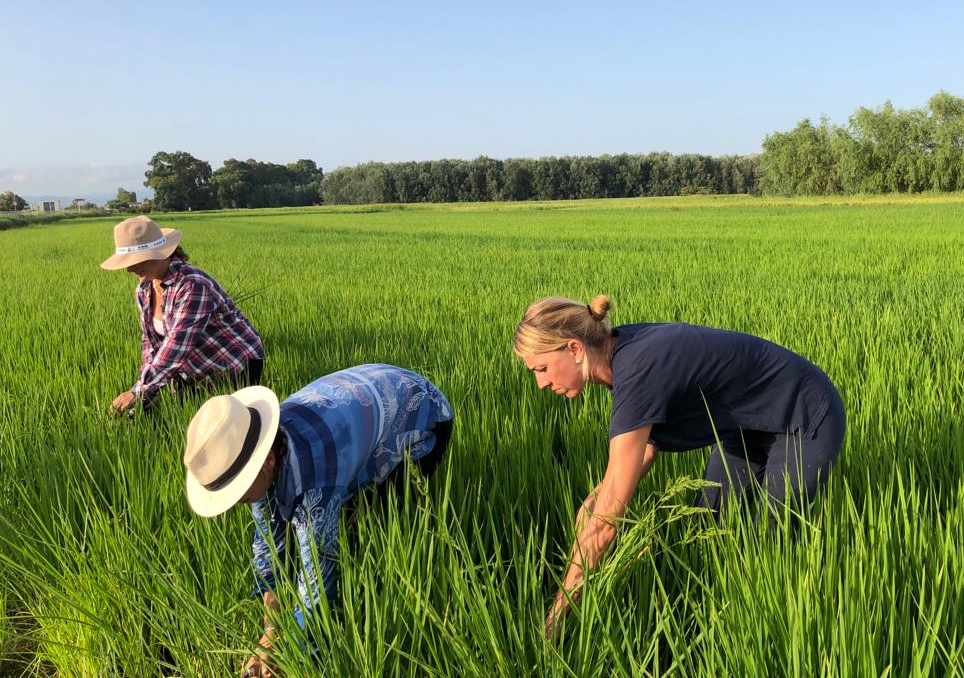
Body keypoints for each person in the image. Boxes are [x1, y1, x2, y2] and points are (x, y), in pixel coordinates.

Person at [514, 295, 845, 639]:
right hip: (746, 426)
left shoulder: (638, 369)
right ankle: (709, 625)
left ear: (574, 349)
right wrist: (593, 504)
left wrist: (555, 620)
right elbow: (641, 455)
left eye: (541, 369)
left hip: (803, 414)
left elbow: (608, 521)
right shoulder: (621, 358)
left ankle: (770, 634)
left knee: (769, 540)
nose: (541, 383)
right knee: (709, 526)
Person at [182, 364, 454, 678]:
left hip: (422, 413)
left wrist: (288, 650)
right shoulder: (257, 448)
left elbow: (317, 584)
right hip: (367, 396)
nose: (236, 501)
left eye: (238, 490)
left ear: (267, 460)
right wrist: (271, 627)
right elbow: (268, 543)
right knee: (336, 519)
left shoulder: (313, 482)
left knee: (375, 525)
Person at [100, 215, 264, 414]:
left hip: (232, 364)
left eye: (136, 260)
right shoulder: (144, 290)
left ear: (160, 253)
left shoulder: (192, 285)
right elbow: (150, 342)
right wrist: (147, 386)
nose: (129, 269)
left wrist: (140, 390)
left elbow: (177, 345)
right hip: (194, 368)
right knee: (166, 417)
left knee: (224, 424)